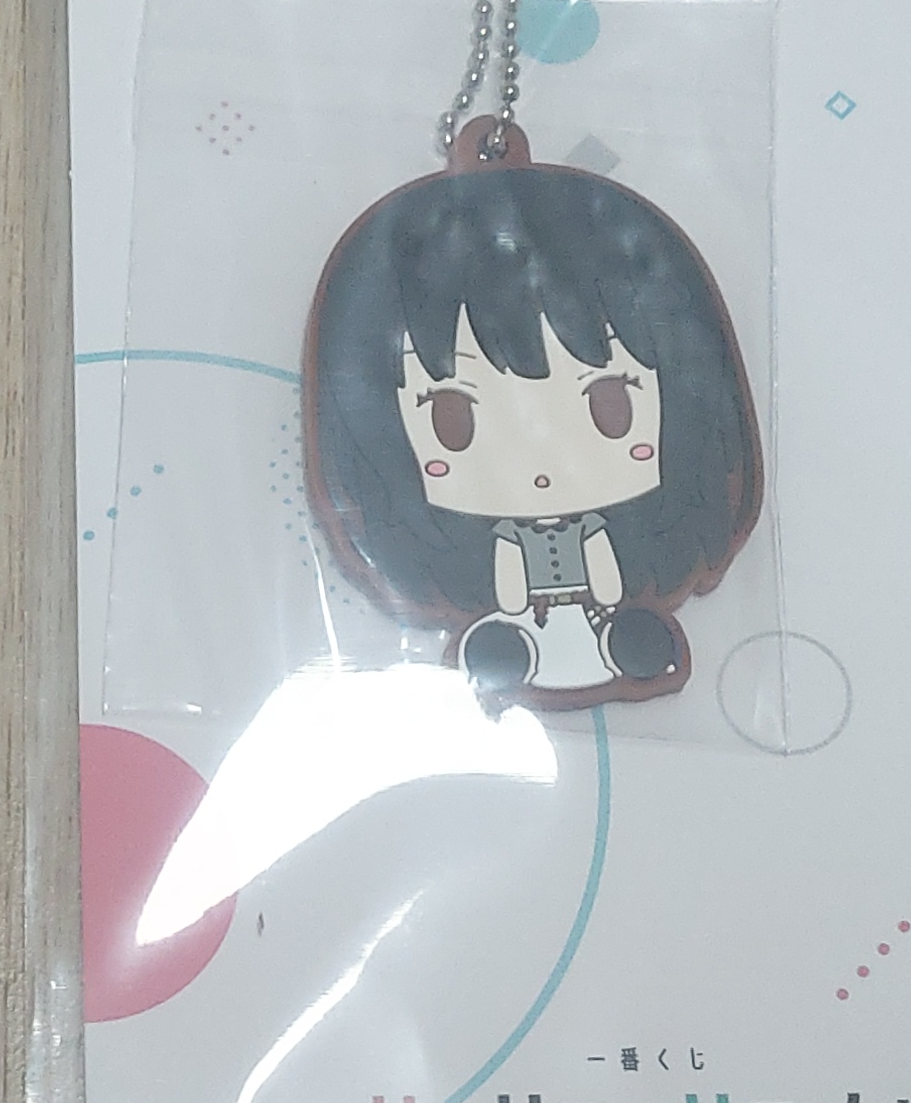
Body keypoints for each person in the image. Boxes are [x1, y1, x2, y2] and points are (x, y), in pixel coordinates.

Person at [303, 159, 760, 710]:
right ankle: (513, 650)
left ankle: (618, 645)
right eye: (454, 417)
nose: (540, 461)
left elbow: (606, 575)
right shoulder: (485, 542)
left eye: (609, 402)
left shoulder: (606, 530)